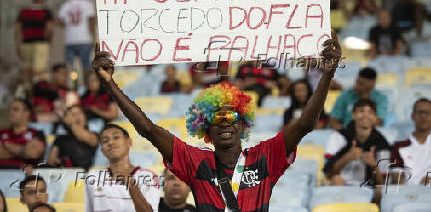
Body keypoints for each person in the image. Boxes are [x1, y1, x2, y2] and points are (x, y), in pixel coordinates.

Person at [91, 30, 342, 211]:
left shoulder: (266, 156)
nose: (224, 122)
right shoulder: (194, 161)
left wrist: (327, 74)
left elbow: (305, 124)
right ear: (205, 127)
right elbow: (147, 129)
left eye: (231, 116)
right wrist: (109, 84)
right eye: (216, 117)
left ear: (242, 124)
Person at [84, 124, 160, 212]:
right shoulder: (92, 176)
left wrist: (132, 185)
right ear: (102, 151)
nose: (110, 143)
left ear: (129, 142)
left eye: (116, 137)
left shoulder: (149, 176)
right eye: (105, 141)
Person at [324, 99, 390, 187]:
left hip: (368, 190)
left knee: (380, 190)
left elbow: (383, 184)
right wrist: (346, 158)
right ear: (353, 115)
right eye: (361, 111)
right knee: (336, 180)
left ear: (375, 118)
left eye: (370, 112)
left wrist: (374, 165)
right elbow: (328, 174)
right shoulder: (338, 136)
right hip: (341, 186)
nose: (365, 115)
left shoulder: (382, 142)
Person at [390, 98, 431, 185]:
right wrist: (419, 185)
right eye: (420, 112)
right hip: (406, 195)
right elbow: (397, 180)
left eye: (428, 112)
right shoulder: (399, 146)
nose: (423, 116)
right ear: (412, 116)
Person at [15, 0, 53, 85]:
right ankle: (38, 91)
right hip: (41, 43)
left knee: (26, 70)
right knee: (40, 70)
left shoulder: (24, 11)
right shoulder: (45, 11)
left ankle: (26, 90)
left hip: (26, 43)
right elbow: (49, 28)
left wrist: (18, 44)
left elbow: (17, 29)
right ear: (42, 0)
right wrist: (49, 41)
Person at [58, 0, 96, 71]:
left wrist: (69, 24)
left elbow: (59, 21)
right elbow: (91, 21)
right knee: (86, 66)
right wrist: (94, 38)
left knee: (69, 67)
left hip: (70, 39)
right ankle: (85, 84)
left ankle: (70, 84)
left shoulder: (67, 4)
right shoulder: (88, 3)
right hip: (84, 39)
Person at [47, 105, 98, 170]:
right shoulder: (60, 139)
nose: (77, 116)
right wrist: (57, 161)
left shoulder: (94, 135)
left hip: (86, 175)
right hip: (65, 174)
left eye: (80, 113)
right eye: (73, 114)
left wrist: (71, 123)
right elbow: (51, 161)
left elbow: (88, 139)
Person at [0, 99, 46, 168]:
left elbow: (33, 153)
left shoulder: (36, 133)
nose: (11, 112)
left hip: (26, 176)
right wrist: (24, 150)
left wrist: (6, 144)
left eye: (15, 109)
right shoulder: (2, 133)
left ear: (27, 113)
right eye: (10, 109)